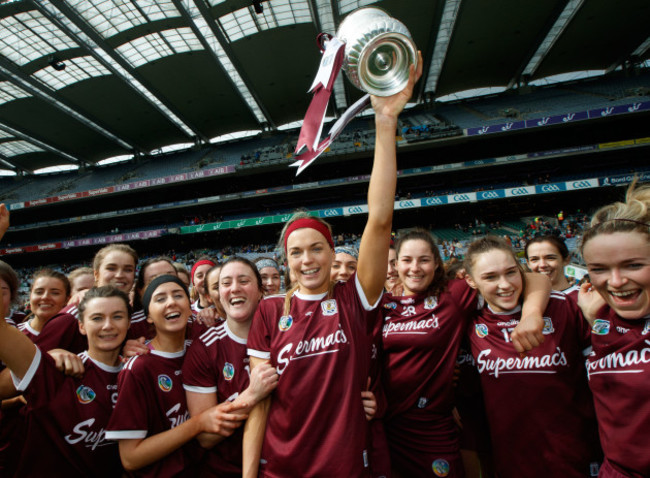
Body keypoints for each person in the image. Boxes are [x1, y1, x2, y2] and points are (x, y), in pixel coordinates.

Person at [243, 53, 424, 478]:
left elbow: (380, 220)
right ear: (286, 262)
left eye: (317, 249)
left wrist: (385, 119)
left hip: (345, 464)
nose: (307, 259)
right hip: (280, 467)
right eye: (296, 253)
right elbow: (261, 399)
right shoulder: (270, 312)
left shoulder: (354, 298)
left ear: (332, 250)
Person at [381, 229, 549, 477]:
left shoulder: (454, 295)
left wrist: (532, 314)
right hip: (386, 424)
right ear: (396, 265)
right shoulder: (383, 305)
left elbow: (534, 279)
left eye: (424, 260)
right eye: (407, 260)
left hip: (431, 428)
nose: (415, 268)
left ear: (436, 263)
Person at [464, 236, 601, 478]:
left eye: (511, 272)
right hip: (511, 460)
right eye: (490, 277)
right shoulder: (469, 320)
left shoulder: (566, 307)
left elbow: (602, 379)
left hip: (575, 456)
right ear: (471, 281)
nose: (505, 285)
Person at [0, 284, 131, 476]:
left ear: (129, 323)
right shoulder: (57, 371)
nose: (108, 325)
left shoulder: (136, 374)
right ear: (81, 326)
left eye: (117, 316)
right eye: (97, 318)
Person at [106, 274, 229, 477]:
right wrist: (197, 424)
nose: (171, 302)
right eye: (160, 298)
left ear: (190, 308)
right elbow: (130, 458)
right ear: (148, 316)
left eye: (178, 295)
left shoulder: (202, 351)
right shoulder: (137, 368)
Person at [578, 180, 650, 478]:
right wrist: (594, 321)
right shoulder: (600, 313)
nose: (615, 281)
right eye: (599, 269)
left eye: (633, 265)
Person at [183, 258, 279, 476]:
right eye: (225, 283)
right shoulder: (204, 349)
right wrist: (251, 396)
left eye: (243, 281)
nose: (234, 288)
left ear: (260, 290)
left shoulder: (287, 335)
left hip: (289, 465)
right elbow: (205, 437)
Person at [34, 243, 138, 354]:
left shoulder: (138, 311)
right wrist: (56, 355)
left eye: (128, 270)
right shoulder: (71, 316)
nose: (119, 275)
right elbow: (33, 361)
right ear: (96, 275)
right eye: (111, 268)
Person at [17, 269, 70, 341]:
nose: (45, 297)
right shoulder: (14, 334)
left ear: (67, 300)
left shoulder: (77, 334)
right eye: (39, 292)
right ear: (30, 296)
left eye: (55, 293)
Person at [525, 235, 579, 300]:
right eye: (534, 259)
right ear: (528, 263)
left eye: (550, 258)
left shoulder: (582, 298)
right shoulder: (522, 299)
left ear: (566, 260)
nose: (542, 265)